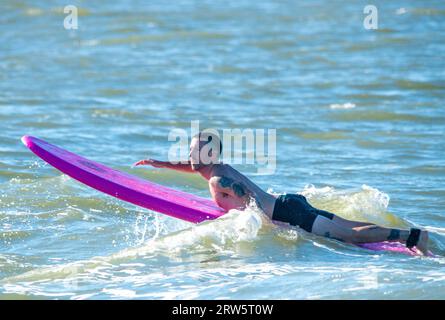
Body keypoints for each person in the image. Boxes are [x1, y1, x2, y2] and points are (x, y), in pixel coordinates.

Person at [134, 131, 429, 255]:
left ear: (208, 154)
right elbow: (193, 167)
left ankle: (409, 237)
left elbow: (247, 197)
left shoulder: (219, 180)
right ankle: (408, 234)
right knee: (348, 227)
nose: (189, 154)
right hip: (290, 202)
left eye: (194, 150)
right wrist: (158, 163)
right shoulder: (214, 167)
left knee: (350, 236)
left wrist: (275, 227)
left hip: (290, 213)